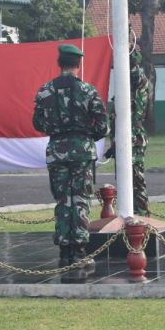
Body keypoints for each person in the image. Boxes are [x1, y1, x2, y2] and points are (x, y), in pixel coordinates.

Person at [33, 43, 108, 265]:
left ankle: (64, 250)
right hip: (82, 150)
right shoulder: (88, 90)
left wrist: (56, 132)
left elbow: (37, 122)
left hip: (57, 151)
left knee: (62, 199)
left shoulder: (45, 90)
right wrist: (87, 136)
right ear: (78, 63)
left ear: (60, 63)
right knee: (80, 199)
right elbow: (102, 125)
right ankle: (80, 251)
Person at [104, 48, 152, 216]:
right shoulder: (125, 85)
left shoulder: (137, 79)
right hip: (125, 138)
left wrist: (126, 49)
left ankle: (141, 216)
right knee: (127, 181)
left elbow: (136, 74)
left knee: (136, 181)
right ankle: (131, 213)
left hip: (134, 139)